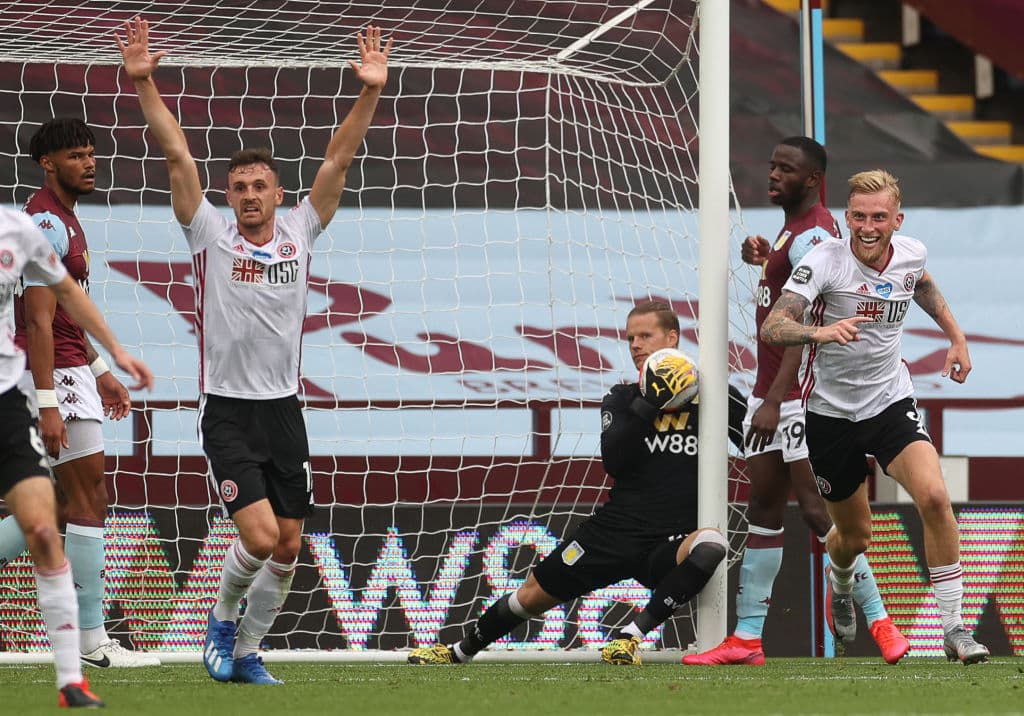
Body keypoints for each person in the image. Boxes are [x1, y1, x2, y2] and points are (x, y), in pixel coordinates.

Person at [115, 15, 391, 684]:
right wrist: (145, 83)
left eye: (258, 186)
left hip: (285, 410)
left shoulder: (302, 229)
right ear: (228, 196)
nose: (246, 196)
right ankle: (221, 618)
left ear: (278, 194)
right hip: (229, 412)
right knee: (261, 538)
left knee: (291, 547)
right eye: (237, 187)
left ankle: (245, 651)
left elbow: (339, 159)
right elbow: (179, 156)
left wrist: (370, 91)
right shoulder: (208, 233)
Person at [407, 301, 742, 666]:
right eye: (630, 337)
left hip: (669, 539)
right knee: (531, 596)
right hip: (615, 531)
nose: (635, 345)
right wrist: (650, 403)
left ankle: (630, 637)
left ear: (672, 337)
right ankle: (459, 652)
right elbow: (614, 462)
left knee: (711, 544)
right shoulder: (623, 397)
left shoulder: (714, 398)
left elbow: (754, 443)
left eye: (645, 335)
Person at [685, 138, 909, 666]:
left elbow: (805, 323)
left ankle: (879, 620)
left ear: (813, 180)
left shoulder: (818, 233)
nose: (773, 174)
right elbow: (792, 289)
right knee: (763, 507)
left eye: (786, 169)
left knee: (815, 509)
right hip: (769, 391)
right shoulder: (796, 231)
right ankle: (746, 638)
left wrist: (777, 399)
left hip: (796, 396)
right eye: (772, 165)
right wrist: (768, 261)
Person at [759, 168, 988, 665]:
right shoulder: (825, 261)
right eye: (858, 216)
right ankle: (840, 584)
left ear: (896, 220)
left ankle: (953, 628)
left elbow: (921, 284)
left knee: (933, 494)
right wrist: (820, 333)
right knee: (854, 538)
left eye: (878, 217)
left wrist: (957, 336)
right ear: (847, 217)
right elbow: (774, 326)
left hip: (889, 401)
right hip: (829, 415)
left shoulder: (912, 253)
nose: (867, 226)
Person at [0, 118, 161, 668]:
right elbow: (38, 321)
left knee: (51, 509)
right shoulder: (46, 219)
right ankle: (92, 641)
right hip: (53, 377)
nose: (89, 163)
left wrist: (99, 367)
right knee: (89, 499)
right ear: (48, 163)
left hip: (71, 369)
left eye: (91, 153)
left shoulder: (60, 216)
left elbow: (66, 316)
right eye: (76, 155)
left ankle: (91, 638)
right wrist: (48, 402)